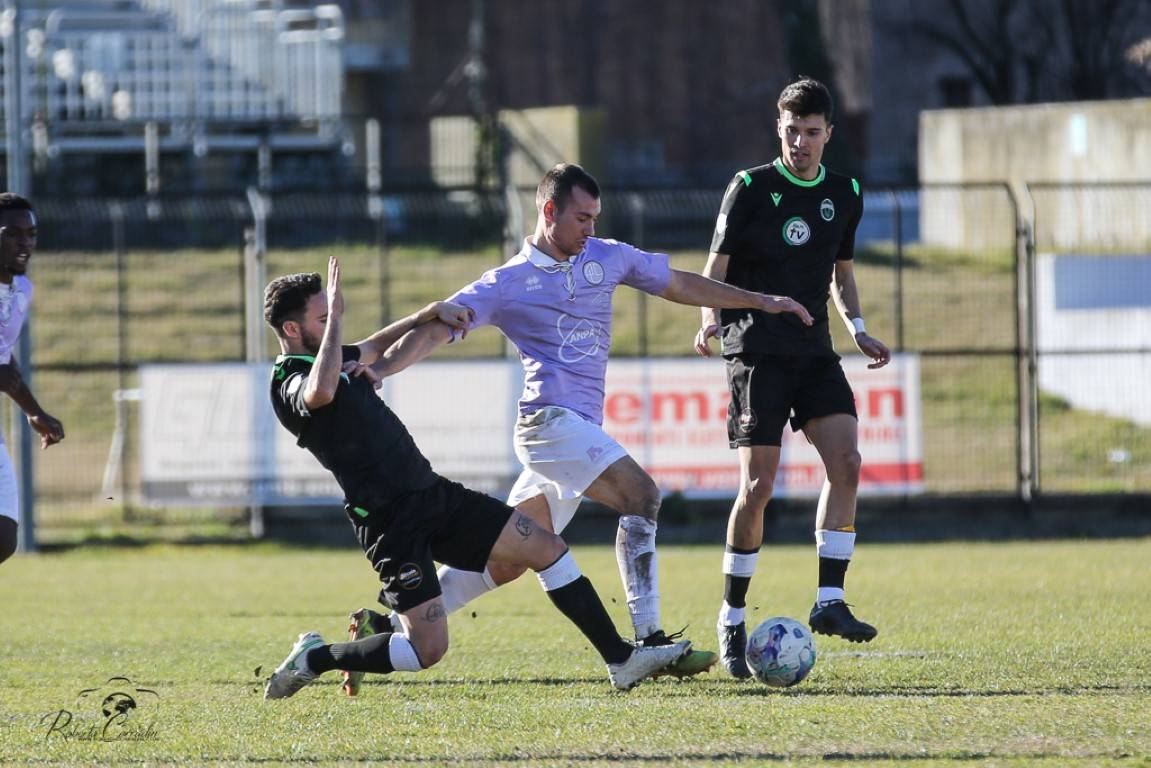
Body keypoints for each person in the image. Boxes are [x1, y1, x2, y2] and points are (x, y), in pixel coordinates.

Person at [346, 163, 814, 681]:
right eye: (582, 218)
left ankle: (382, 623)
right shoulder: (507, 283)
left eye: (595, 218)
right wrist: (382, 368)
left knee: (507, 559)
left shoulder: (607, 257)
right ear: (550, 212)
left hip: (575, 431)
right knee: (642, 496)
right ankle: (651, 640)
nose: (590, 228)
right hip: (548, 425)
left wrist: (758, 301)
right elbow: (439, 326)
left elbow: (678, 283)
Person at [262, 257, 690, 699]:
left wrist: (427, 313)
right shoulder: (287, 380)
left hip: (433, 494)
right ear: (293, 330)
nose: (333, 322)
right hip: (390, 522)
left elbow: (370, 348)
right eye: (323, 318)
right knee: (426, 651)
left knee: (547, 547)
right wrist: (337, 320)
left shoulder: (329, 354)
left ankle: (620, 660)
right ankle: (316, 658)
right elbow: (321, 392)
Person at [695, 77, 892, 679]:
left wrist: (856, 325)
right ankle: (731, 616)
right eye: (791, 131)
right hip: (755, 351)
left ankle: (830, 600)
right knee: (757, 488)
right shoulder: (750, 187)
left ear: (829, 133)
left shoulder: (845, 191)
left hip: (814, 352)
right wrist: (709, 322)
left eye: (811, 132)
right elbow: (715, 268)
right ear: (776, 128)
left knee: (849, 463)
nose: (801, 143)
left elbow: (842, 271)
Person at [0, 194, 65, 566]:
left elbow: (3, 360)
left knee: (5, 535)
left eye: (32, 234)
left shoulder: (22, 291)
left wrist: (34, 411)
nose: (25, 243)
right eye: (13, 234)